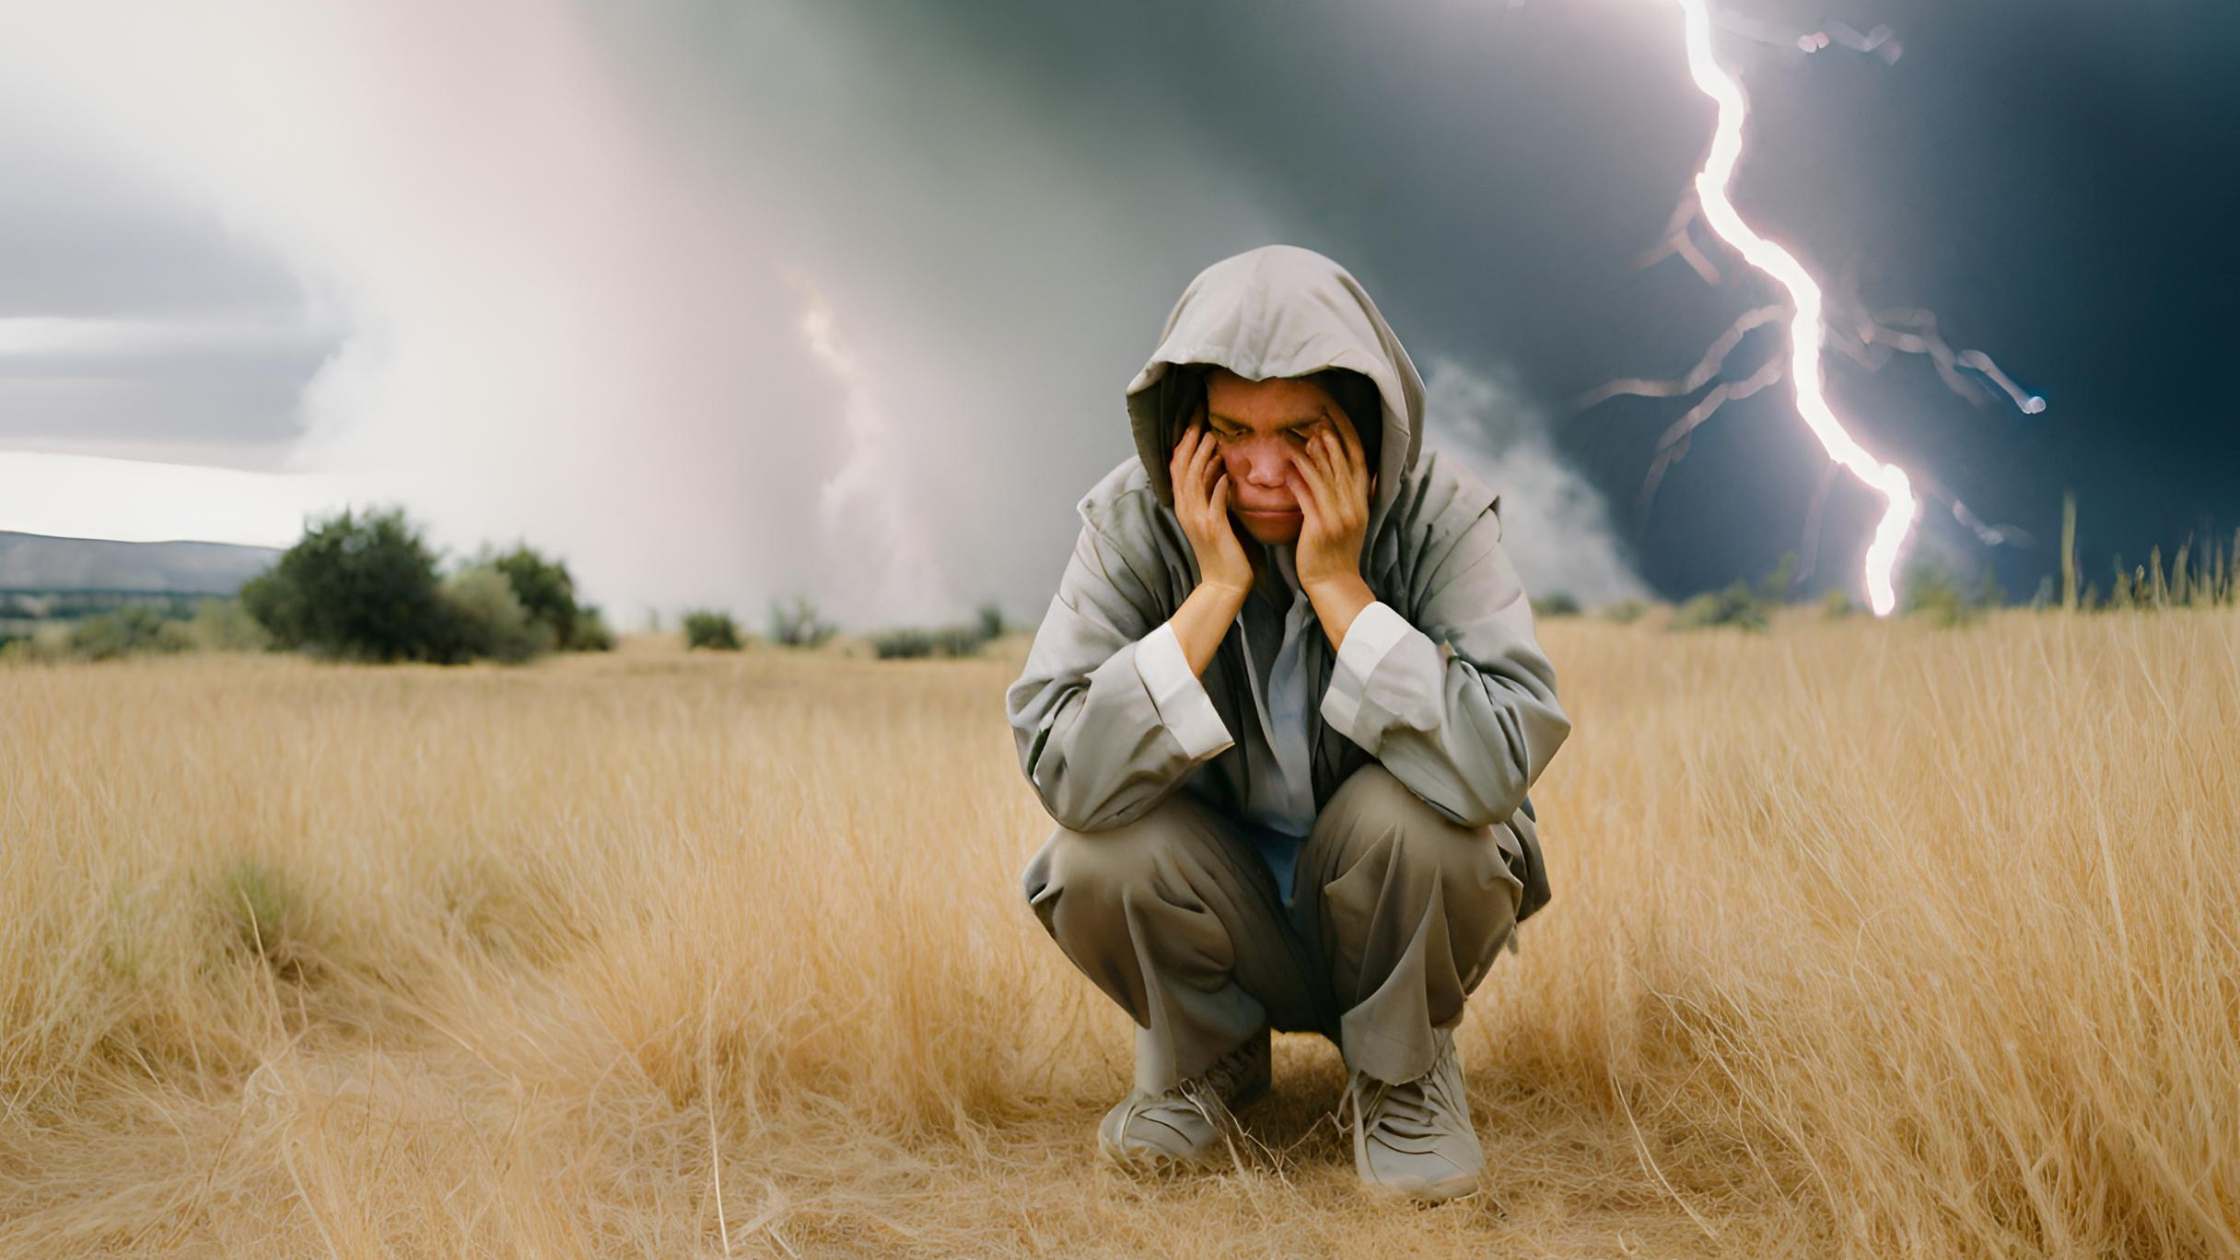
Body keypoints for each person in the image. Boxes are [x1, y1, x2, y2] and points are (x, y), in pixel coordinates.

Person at [1004, 243, 1572, 1203]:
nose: (1264, 471)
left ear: (1361, 419)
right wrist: (1214, 589)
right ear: (1186, 427)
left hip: (1391, 896)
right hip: (1220, 901)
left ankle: (1404, 1075)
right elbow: (1063, 768)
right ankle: (1204, 1057)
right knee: (1092, 856)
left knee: (1426, 819)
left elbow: (1500, 763)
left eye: (1302, 434)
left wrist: (1341, 588)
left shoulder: (1438, 515)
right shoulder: (1134, 524)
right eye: (1233, 430)